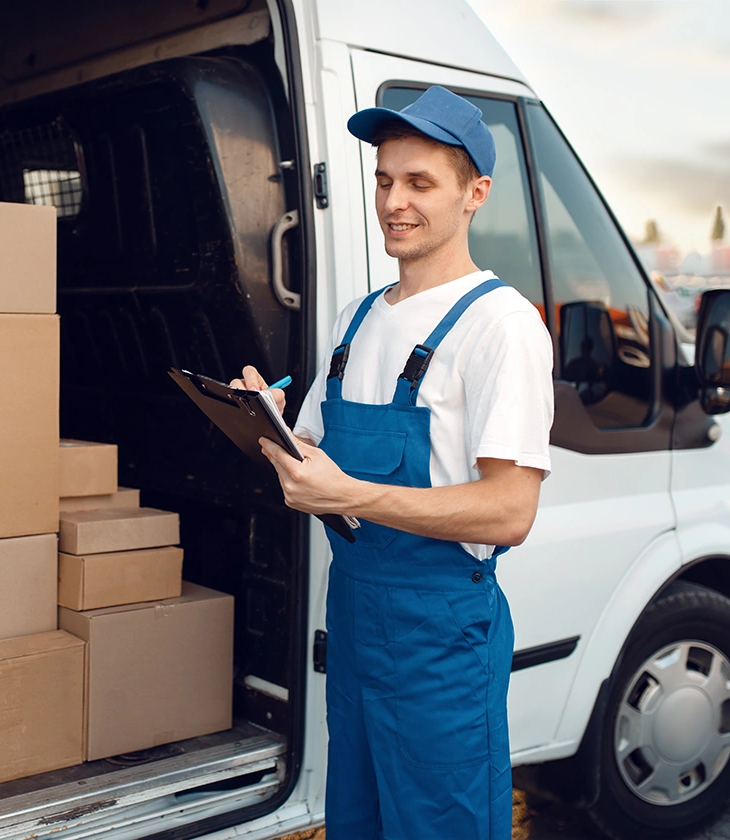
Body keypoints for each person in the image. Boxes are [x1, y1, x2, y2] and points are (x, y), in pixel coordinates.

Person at [232, 86, 554, 839]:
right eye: (383, 180)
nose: (393, 202)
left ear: (476, 194)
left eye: (419, 183)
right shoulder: (358, 318)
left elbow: (510, 511)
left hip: (440, 630)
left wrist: (351, 492)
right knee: (360, 819)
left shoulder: (501, 326)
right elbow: (315, 457)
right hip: (354, 614)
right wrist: (267, 425)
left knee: (440, 825)